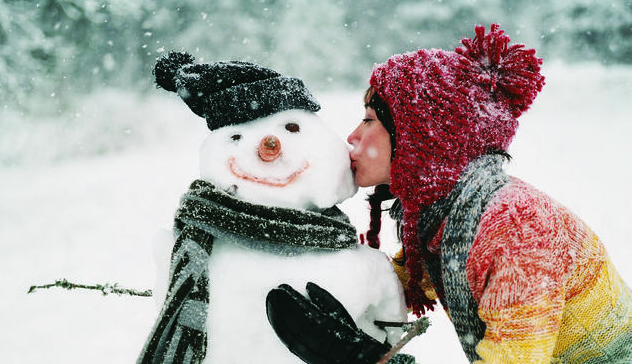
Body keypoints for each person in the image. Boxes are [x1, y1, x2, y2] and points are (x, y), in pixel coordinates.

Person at [266, 24, 632, 363]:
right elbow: (395, 284)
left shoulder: (514, 230)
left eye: (369, 120)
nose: (353, 136)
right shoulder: (446, 218)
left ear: (421, 138)